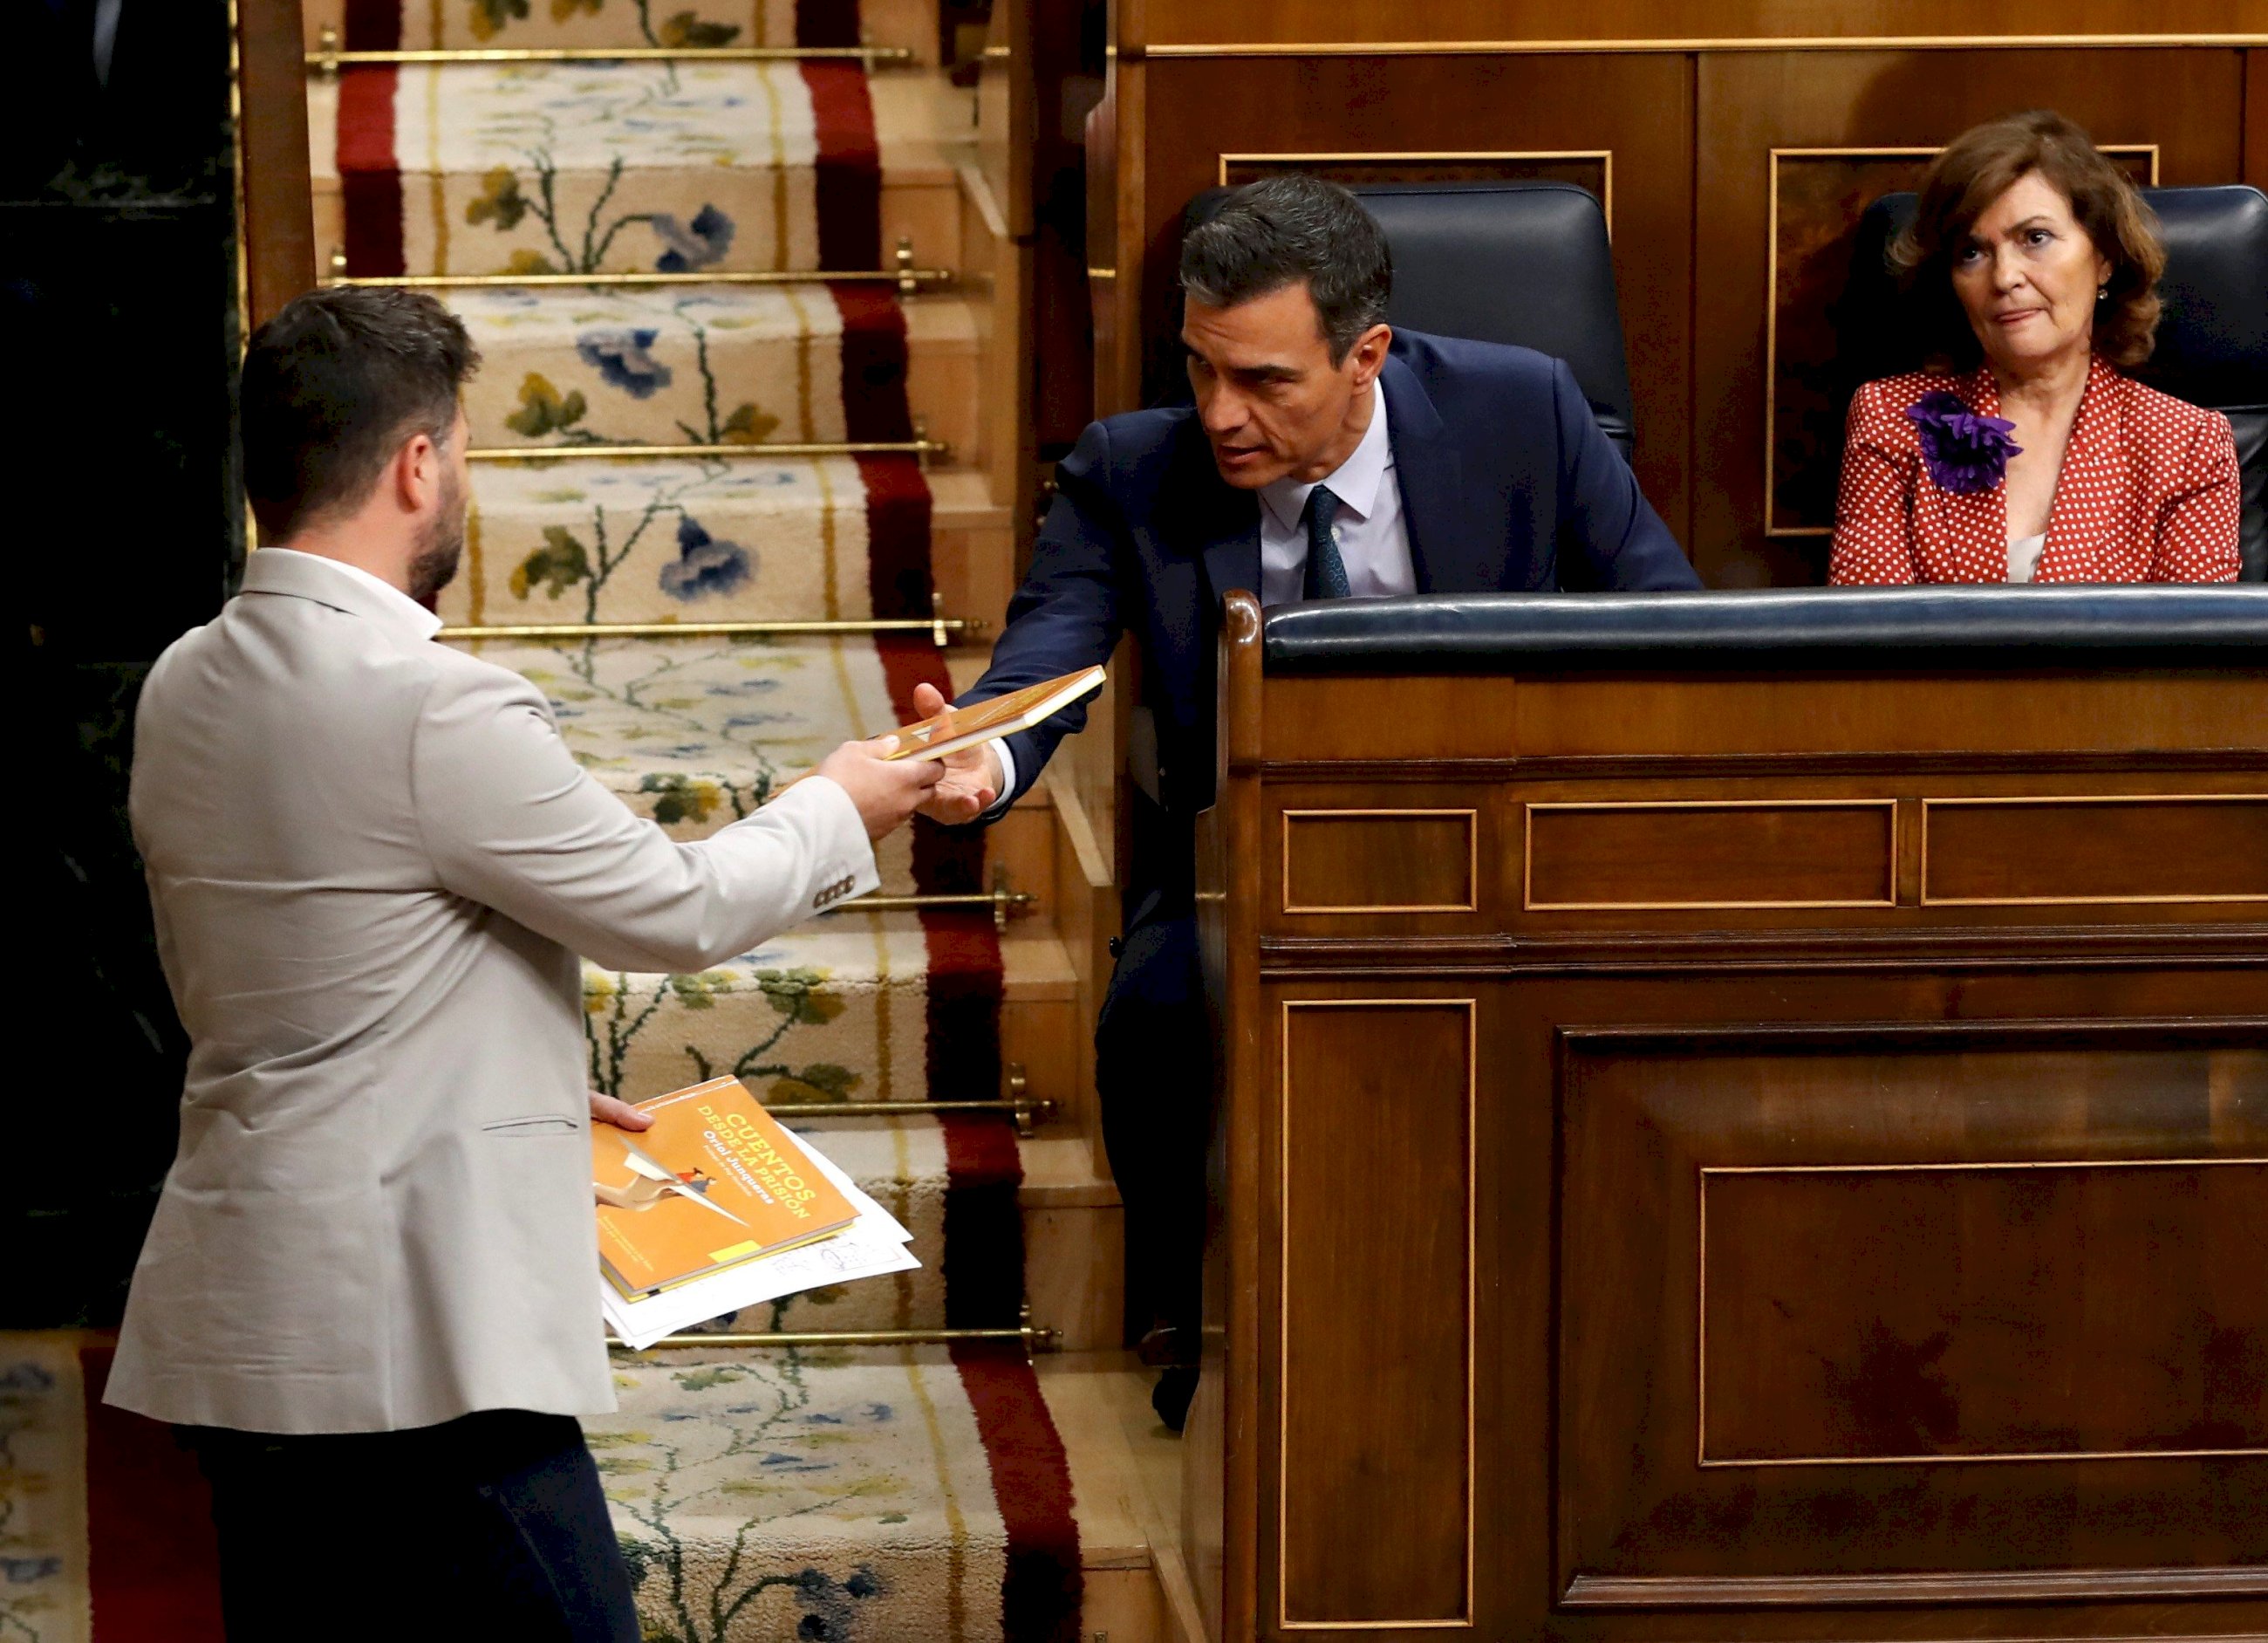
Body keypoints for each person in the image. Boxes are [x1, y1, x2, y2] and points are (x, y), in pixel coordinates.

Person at [108, 286, 958, 1641]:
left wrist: (525, 1101)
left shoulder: (181, 679)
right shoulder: (433, 704)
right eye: (464, 450)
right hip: (414, 1342)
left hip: (247, 1322)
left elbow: (324, 970)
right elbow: (672, 911)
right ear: (418, 463)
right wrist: (850, 794)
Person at [905, 173, 1700, 1427]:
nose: (1221, 414)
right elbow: (1048, 657)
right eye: (1200, 368)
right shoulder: (1134, 468)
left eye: (1265, 380)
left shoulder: (1525, 411)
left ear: (1367, 355)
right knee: (1155, 1009)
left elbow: (1673, 634)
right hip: (1245, 863)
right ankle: (1194, 1318)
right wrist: (985, 764)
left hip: (1509, 847)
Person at [1831, 110, 2241, 585]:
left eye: (2035, 238)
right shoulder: (1891, 420)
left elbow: (2191, 649)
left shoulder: (2186, 444)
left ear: (2104, 258)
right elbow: (1869, 644)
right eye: (1972, 252)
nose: (2004, 277)